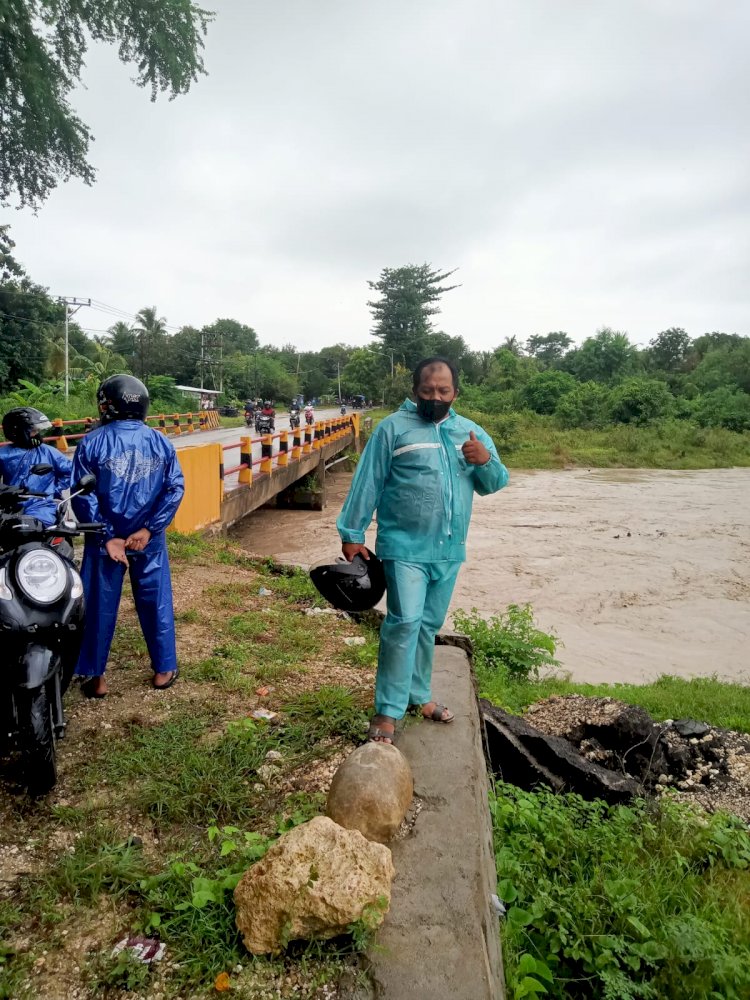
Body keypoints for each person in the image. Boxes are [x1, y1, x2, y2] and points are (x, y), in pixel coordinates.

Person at [337, 357, 509, 744]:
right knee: (404, 622)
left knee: (428, 625)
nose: (436, 397)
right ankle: (388, 709)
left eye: (444, 391)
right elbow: (368, 480)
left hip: (449, 550)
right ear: (415, 391)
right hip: (403, 548)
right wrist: (352, 532)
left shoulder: (470, 432)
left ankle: (420, 696)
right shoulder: (393, 429)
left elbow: (495, 482)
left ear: (455, 393)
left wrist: (485, 462)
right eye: (428, 390)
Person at [71, 374, 185, 698]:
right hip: (147, 539)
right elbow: (175, 488)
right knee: (155, 601)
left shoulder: (92, 442)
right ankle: (164, 669)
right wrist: (149, 528)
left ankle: (95, 677)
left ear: (108, 403)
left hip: (103, 540)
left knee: (96, 605)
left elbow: (82, 492)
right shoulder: (161, 442)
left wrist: (108, 535)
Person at [0, 407, 72, 526]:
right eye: (33, 431)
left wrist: (54, 489)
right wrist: (6, 492)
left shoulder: (48, 452)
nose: (37, 435)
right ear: (18, 431)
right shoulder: (4, 455)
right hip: (11, 506)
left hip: (43, 506)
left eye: (37, 431)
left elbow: (70, 471)